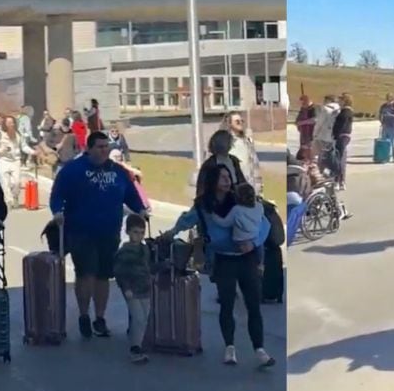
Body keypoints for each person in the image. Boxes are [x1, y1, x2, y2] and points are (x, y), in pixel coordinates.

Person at [165, 165, 274, 368]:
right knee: (227, 304)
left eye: (228, 176)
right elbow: (187, 220)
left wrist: (254, 242)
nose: (227, 180)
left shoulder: (241, 200)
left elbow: (264, 224)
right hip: (223, 259)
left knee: (253, 304)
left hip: (246, 258)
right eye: (222, 177)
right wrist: (171, 232)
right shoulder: (203, 205)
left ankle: (260, 349)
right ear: (213, 180)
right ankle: (229, 347)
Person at [49, 132, 147, 338]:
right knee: (86, 274)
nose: (104, 150)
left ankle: (100, 317)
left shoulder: (118, 171)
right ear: (89, 148)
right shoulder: (73, 170)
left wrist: (141, 208)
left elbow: (131, 194)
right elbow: (57, 195)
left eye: (106, 147)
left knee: (103, 275)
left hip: (109, 231)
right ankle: (84, 314)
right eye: (100, 147)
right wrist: (57, 211)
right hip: (81, 230)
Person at [114, 214, 154, 365]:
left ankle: (138, 344)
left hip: (145, 288)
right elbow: (119, 272)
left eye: (142, 233)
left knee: (143, 319)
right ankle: (134, 349)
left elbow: (148, 267)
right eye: (136, 232)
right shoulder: (124, 252)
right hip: (132, 290)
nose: (139, 236)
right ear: (128, 232)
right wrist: (126, 287)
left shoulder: (145, 250)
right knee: (137, 318)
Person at [0, 116, 31, 208]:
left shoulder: (18, 135)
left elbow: (24, 147)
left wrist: (33, 152)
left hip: (15, 161)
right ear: (5, 124)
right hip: (3, 161)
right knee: (5, 182)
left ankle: (15, 196)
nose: (11, 125)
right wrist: (2, 150)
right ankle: (9, 201)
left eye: (12, 123)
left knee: (17, 182)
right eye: (8, 123)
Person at [196, 129, 248, 198]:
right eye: (229, 142)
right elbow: (202, 188)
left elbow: (242, 182)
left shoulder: (233, 161)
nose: (231, 144)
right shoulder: (209, 165)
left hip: (235, 199)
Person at [331, 93, 355, 190]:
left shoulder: (345, 112)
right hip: (345, 136)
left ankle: (338, 181)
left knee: (339, 159)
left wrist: (335, 135)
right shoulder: (347, 111)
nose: (339, 101)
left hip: (341, 136)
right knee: (341, 158)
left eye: (341, 99)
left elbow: (341, 126)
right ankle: (341, 180)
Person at [378, 94, 394, 162]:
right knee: (384, 142)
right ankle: (385, 156)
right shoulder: (383, 106)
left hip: (393, 126)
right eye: (387, 98)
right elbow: (380, 115)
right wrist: (382, 122)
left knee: (393, 142)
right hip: (385, 126)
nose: (388, 99)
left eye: (390, 98)